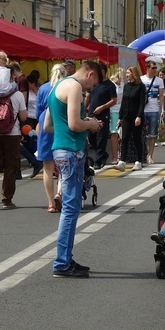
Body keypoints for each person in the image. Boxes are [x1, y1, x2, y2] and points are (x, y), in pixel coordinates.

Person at [45, 60, 102, 278]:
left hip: (62, 148)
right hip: (71, 151)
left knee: (72, 207)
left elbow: (48, 125)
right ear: (89, 74)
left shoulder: (57, 86)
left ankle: (66, 259)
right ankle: (61, 263)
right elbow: (74, 125)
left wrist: (80, 122)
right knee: (70, 208)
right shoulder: (75, 87)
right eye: (94, 82)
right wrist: (90, 124)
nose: (92, 87)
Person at [0, 64, 27, 210]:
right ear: (10, 77)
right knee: (10, 166)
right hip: (12, 134)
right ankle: (7, 199)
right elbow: (23, 117)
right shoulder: (17, 94)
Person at [36, 64, 66, 213]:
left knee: (47, 168)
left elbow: (37, 112)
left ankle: (50, 203)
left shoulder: (43, 88)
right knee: (63, 166)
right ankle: (59, 193)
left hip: (45, 126)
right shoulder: (68, 86)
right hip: (62, 125)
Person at [115, 66, 146, 172]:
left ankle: (139, 161)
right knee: (125, 138)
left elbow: (142, 103)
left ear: (134, 74)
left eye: (128, 73)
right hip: (126, 116)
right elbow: (123, 102)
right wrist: (120, 117)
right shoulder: (126, 86)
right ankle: (122, 161)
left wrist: (139, 116)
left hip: (136, 116)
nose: (126, 75)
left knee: (137, 139)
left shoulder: (141, 86)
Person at [88, 61, 117, 169]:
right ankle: (102, 154)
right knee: (91, 138)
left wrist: (102, 107)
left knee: (101, 138)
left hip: (103, 114)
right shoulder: (95, 84)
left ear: (103, 72)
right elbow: (89, 96)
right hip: (91, 113)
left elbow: (114, 100)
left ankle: (98, 160)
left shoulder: (110, 85)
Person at [141, 61, 164, 165]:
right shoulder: (141, 79)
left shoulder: (159, 80)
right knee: (142, 133)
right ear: (147, 68)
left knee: (153, 134)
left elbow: (161, 96)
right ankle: (144, 153)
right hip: (143, 109)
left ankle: (150, 155)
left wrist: (162, 109)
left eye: (155, 68)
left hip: (154, 109)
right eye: (153, 68)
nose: (155, 70)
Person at [108, 68, 124, 165]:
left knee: (121, 134)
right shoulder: (112, 84)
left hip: (121, 110)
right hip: (113, 110)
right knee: (114, 134)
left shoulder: (122, 84)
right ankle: (114, 156)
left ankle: (121, 154)